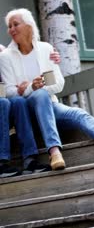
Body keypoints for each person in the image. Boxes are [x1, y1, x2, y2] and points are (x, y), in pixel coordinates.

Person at [0, 8, 94, 171]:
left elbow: (58, 84)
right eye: (9, 26)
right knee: (40, 93)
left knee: (76, 113)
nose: (11, 29)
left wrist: (27, 87)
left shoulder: (45, 50)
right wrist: (33, 86)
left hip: (48, 106)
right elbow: (10, 92)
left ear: (28, 25)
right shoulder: (6, 57)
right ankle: (54, 150)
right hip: (26, 115)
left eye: (16, 24)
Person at [0, 43, 61, 177]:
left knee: (19, 101)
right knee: (3, 103)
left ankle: (30, 160)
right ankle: (1, 162)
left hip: (6, 110)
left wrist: (52, 56)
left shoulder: (4, 53)